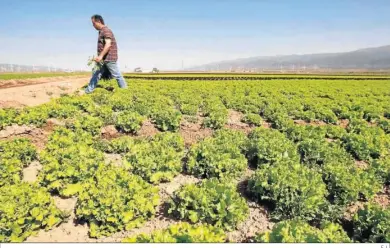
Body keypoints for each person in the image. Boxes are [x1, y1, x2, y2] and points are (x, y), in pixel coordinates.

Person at [86, 14, 127, 93]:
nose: (93, 25)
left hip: (109, 58)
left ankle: (125, 92)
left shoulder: (106, 30)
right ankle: (88, 91)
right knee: (96, 74)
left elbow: (108, 44)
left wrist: (100, 56)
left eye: (93, 23)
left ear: (99, 21)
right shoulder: (102, 31)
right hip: (104, 59)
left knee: (117, 75)